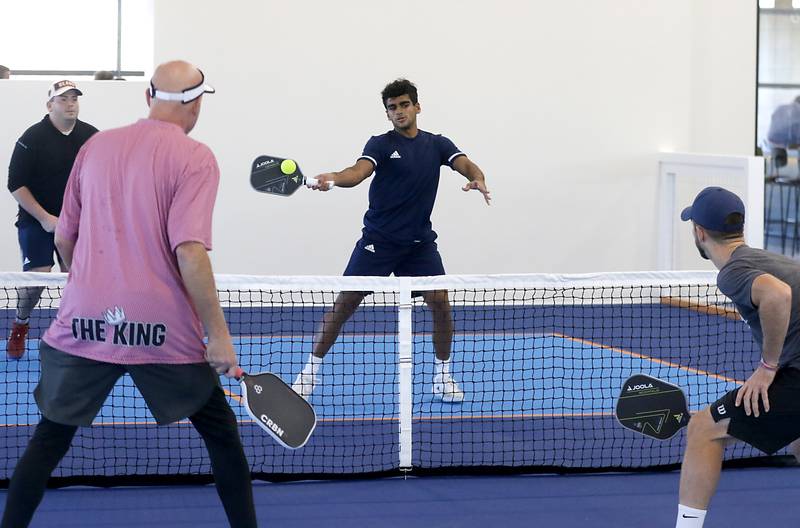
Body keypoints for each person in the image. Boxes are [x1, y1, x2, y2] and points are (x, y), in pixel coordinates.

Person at [0, 61, 258, 528]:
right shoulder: (196, 157)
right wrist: (218, 336)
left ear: (147, 98)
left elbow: (63, 238)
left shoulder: (96, 146)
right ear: (197, 105)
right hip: (162, 330)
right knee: (222, 436)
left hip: (84, 323)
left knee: (49, 440)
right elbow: (191, 251)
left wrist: (89, 285)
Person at [291, 78, 490, 403]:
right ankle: (309, 372)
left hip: (419, 246)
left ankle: (442, 376)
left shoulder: (437, 144)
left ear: (417, 107)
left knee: (440, 303)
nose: (399, 111)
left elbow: (464, 163)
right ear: (387, 114)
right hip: (378, 243)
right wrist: (333, 179)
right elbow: (357, 173)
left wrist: (477, 178)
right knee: (344, 305)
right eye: (392, 108)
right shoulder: (380, 145)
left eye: (404, 105)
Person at [675, 186, 800, 528]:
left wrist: (767, 367)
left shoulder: (732, 272)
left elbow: (778, 296)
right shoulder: (765, 259)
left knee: (703, 429)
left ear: (699, 232)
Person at [6, 80, 98, 359]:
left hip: (75, 222)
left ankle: (77, 333)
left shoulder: (91, 136)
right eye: (63, 99)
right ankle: (21, 324)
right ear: (50, 105)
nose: (70, 104)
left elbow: (103, 177)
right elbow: (15, 184)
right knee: (37, 280)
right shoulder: (32, 137)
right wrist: (45, 218)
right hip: (36, 221)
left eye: (74, 99)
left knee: (79, 278)